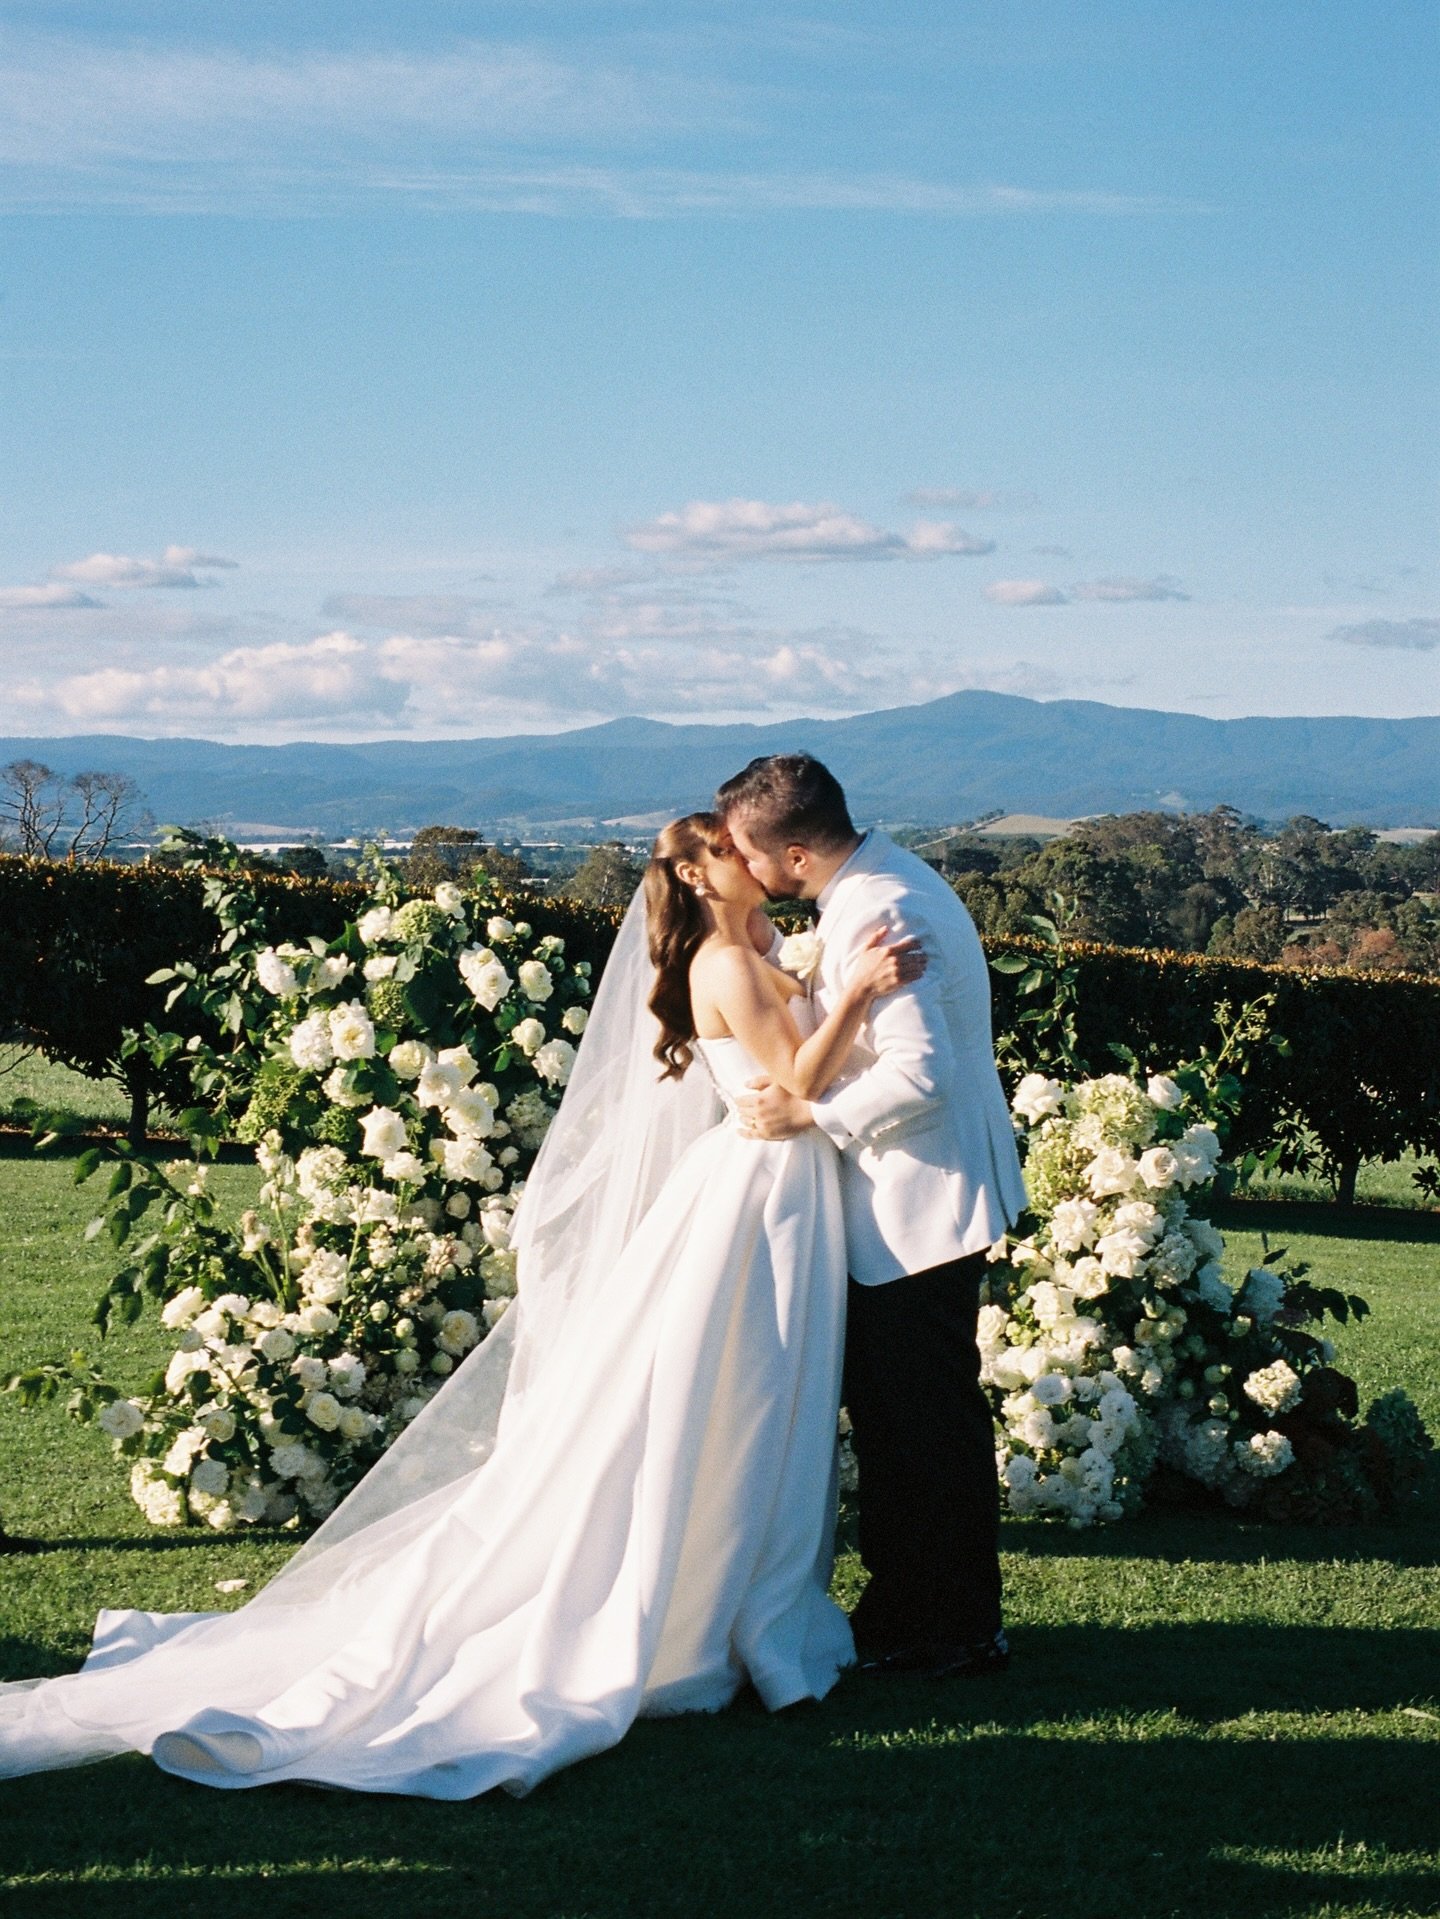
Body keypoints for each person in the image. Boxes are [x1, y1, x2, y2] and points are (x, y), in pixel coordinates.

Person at [0, 812, 922, 1800]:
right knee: (742, 1390)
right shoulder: (726, 963)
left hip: (776, 1188)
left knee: (755, 1395)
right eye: (730, 850)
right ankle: (713, 1609)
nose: (752, 859)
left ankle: (728, 1595)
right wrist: (857, 992)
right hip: (758, 1191)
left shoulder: (754, 949)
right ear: (698, 875)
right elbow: (797, 1079)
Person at [718, 754, 1027, 1679]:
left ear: (796, 854)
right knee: (905, 1421)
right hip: (916, 1198)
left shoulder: (877, 911)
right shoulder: (875, 885)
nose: (743, 868)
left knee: (921, 1426)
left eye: (749, 852)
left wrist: (810, 1115)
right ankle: (911, 1611)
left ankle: (949, 1627)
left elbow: (920, 1074)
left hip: (918, 1204)